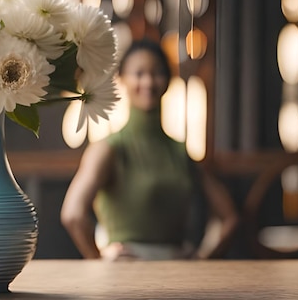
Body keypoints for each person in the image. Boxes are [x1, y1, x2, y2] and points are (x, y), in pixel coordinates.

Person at [60, 39, 239, 260]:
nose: (148, 81)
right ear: (121, 79)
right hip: (125, 278)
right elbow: (72, 215)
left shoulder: (180, 151)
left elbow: (229, 218)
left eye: (157, 73)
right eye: (139, 73)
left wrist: (202, 259)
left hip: (179, 277)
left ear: (168, 80)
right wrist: (98, 264)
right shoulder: (108, 149)